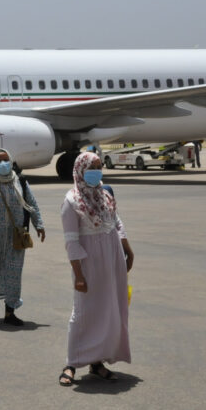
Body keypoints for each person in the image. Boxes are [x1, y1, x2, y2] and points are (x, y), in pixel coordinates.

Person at [58, 152, 133, 387]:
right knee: (83, 313)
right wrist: (78, 275)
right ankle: (71, 363)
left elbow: (116, 223)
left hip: (112, 261)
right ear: (81, 169)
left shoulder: (105, 195)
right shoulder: (71, 201)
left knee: (109, 310)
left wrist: (128, 250)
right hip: (89, 264)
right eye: (93, 167)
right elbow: (71, 241)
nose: (97, 171)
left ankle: (97, 362)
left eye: (100, 166)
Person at [0, 149, 45, 326]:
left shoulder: (20, 182)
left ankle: (10, 311)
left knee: (14, 273)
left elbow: (31, 204)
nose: (3, 163)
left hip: (16, 237)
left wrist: (39, 225)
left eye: (6, 159)